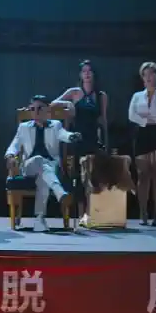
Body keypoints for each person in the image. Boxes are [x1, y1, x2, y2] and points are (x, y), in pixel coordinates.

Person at [5, 96, 83, 231]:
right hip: (29, 167)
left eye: (40, 108)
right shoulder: (24, 127)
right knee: (39, 160)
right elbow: (14, 145)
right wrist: (10, 155)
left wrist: (72, 136)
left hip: (50, 167)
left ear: (47, 110)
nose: (35, 112)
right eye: (32, 109)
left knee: (43, 175)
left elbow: (63, 134)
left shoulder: (55, 125)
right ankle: (59, 191)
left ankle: (39, 218)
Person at [51, 60, 108, 221]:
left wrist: (106, 142)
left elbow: (103, 120)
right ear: (80, 75)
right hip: (77, 138)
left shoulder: (101, 95)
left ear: (94, 74)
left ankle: (92, 213)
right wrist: (68, 104)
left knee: (92, 177)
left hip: (93, 139)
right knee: (78, 176)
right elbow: (53, 104)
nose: (87, 74)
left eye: (90, 71)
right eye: (84, 71)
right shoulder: (75, 92)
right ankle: (81, 213)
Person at [128, 61, 156, 226]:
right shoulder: (137, 96)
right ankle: (143, 212)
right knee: (142, 175)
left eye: (152, 74)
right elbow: (131, 115)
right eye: (146, 74)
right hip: (142, 133)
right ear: (142, 77)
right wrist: (147, 120)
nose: (149, 77)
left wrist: (150, 117)